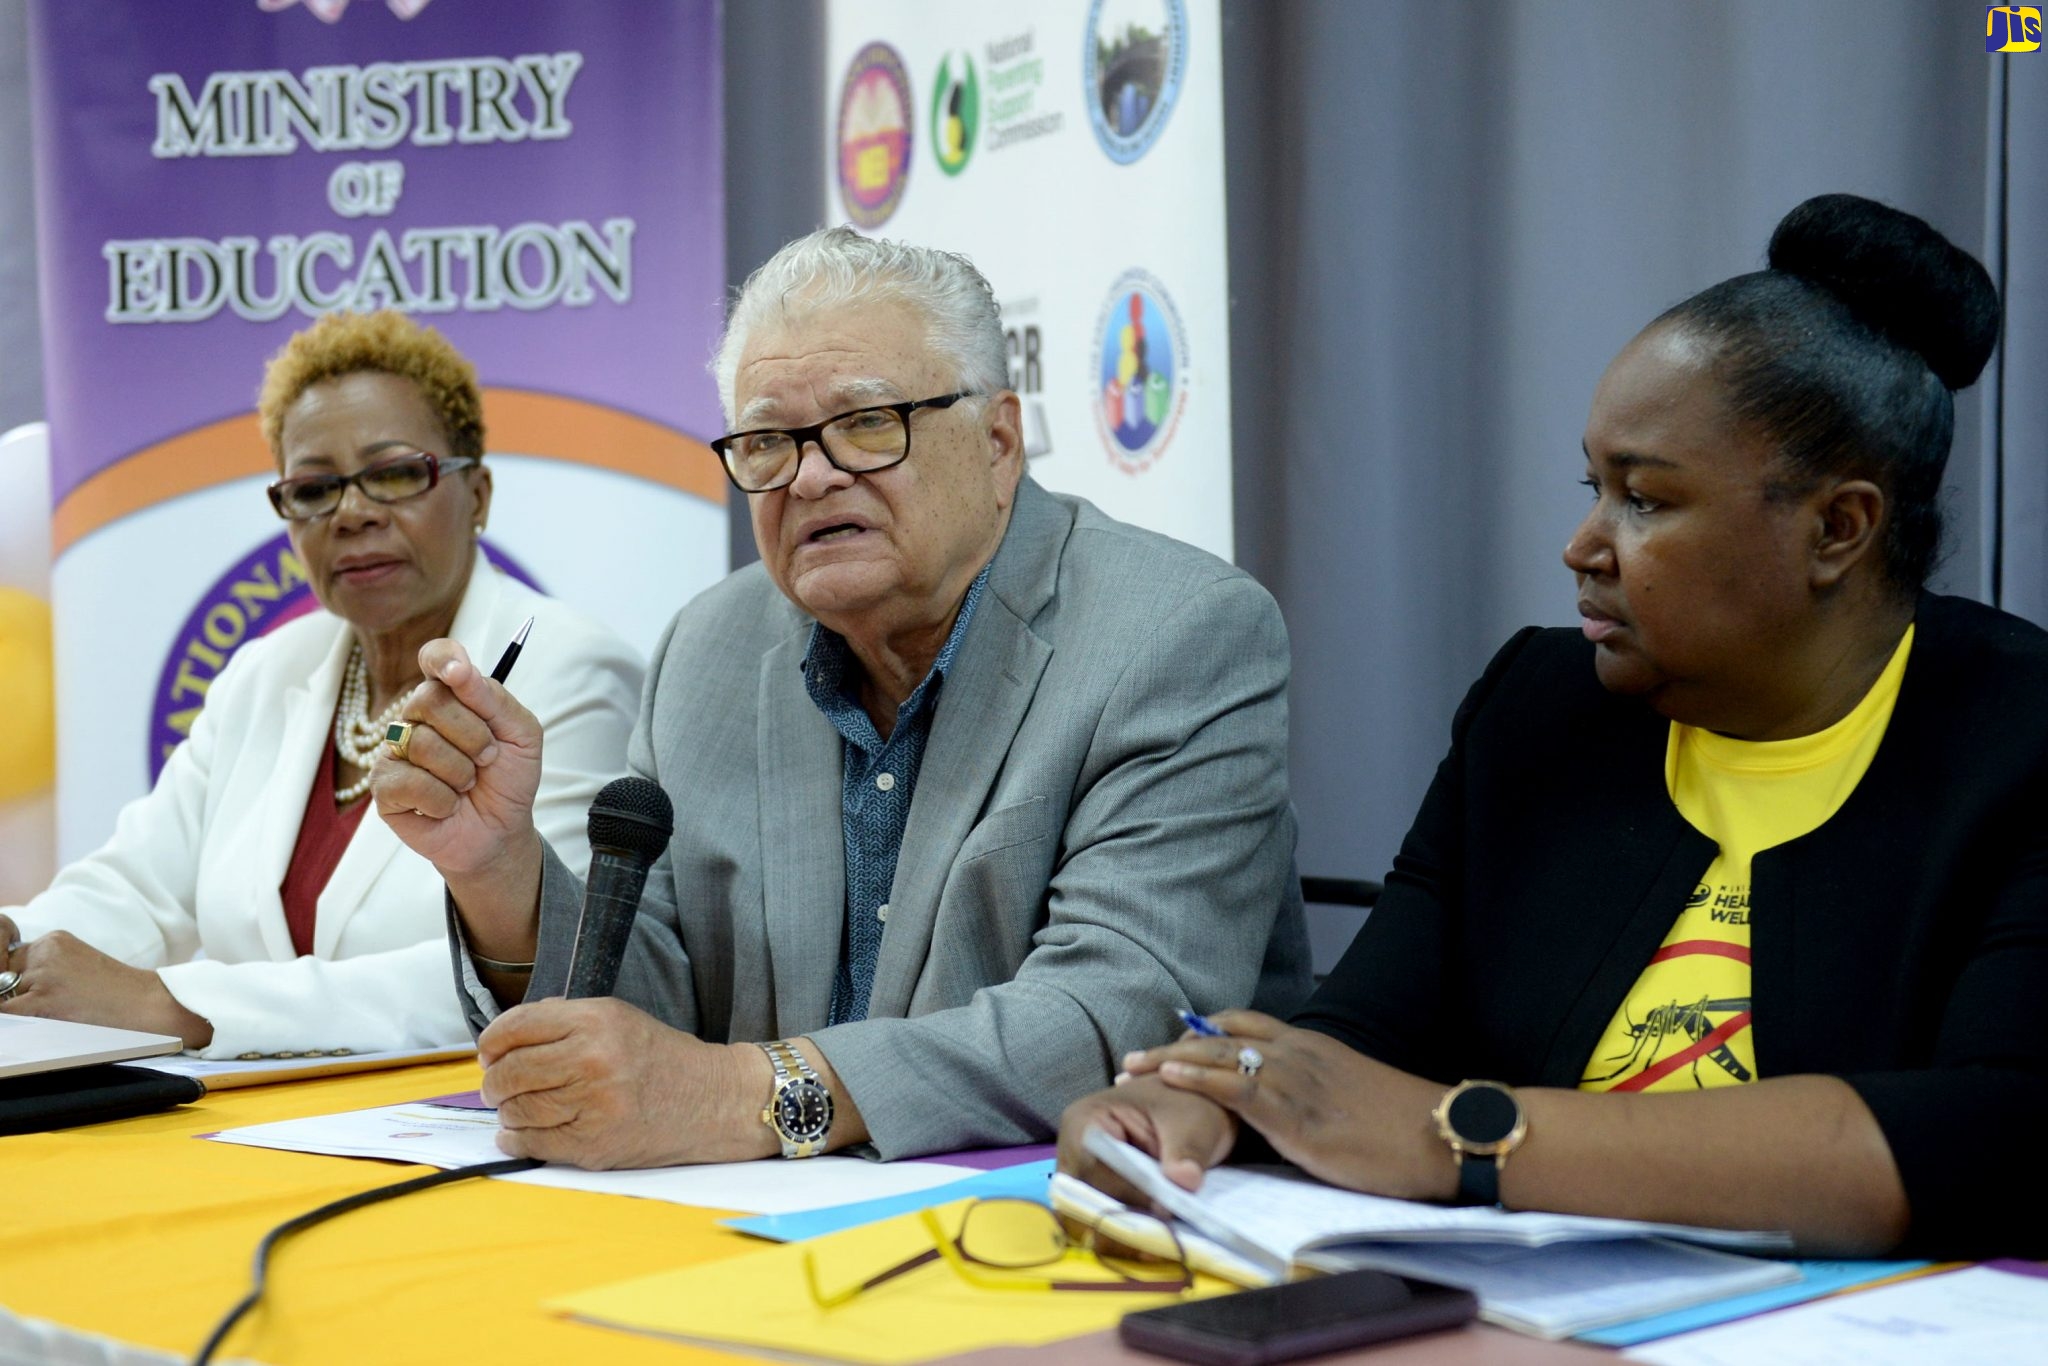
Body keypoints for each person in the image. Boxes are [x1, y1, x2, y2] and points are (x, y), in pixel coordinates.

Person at [1060, 194, 2044, 1259]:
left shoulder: (2015, 735)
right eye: (1592, 486)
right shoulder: (1539, 708)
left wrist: (1469, 1140)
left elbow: (1992, 1131)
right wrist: (1212, 1103)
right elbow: (1369, 1027)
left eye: (1645, 500)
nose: (1583, 544)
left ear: (1836, 529)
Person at [372, 227, 1310, 1167]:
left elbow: (1119, 1016)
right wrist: (498, 871)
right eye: (769, 441)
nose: (812, 476)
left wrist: (751, 1093)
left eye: (867, 424)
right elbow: (653, 1012)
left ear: (998, 442)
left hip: (1039, 1227)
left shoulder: (1176, 633)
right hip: (747, 1234)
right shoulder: (711, 647)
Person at [0, 311, 642, 1059]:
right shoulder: (267, 672)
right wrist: (16, 941)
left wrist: (173, 1004)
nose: (353, 514)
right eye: (313, 489)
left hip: (466, 1129)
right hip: (246, 1134)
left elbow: (536, 970)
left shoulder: (570, 670)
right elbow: (139, 888)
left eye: (396, 473)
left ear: (479, 495)